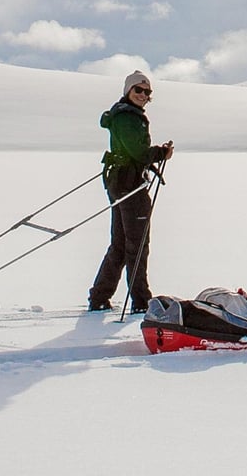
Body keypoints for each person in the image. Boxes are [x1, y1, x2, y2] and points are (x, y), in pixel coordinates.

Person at [88, 70, 174, 313]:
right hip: (129, 185)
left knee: (121, 243)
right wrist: (160, 153)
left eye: (147, 92)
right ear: (128, 90)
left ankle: (99, 296)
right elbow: (138, 152)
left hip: (120, 181)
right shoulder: (127, 117)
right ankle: (140, 301)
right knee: (137, 244)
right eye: (138, 90)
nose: (143, 95)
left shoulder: (124, 114)